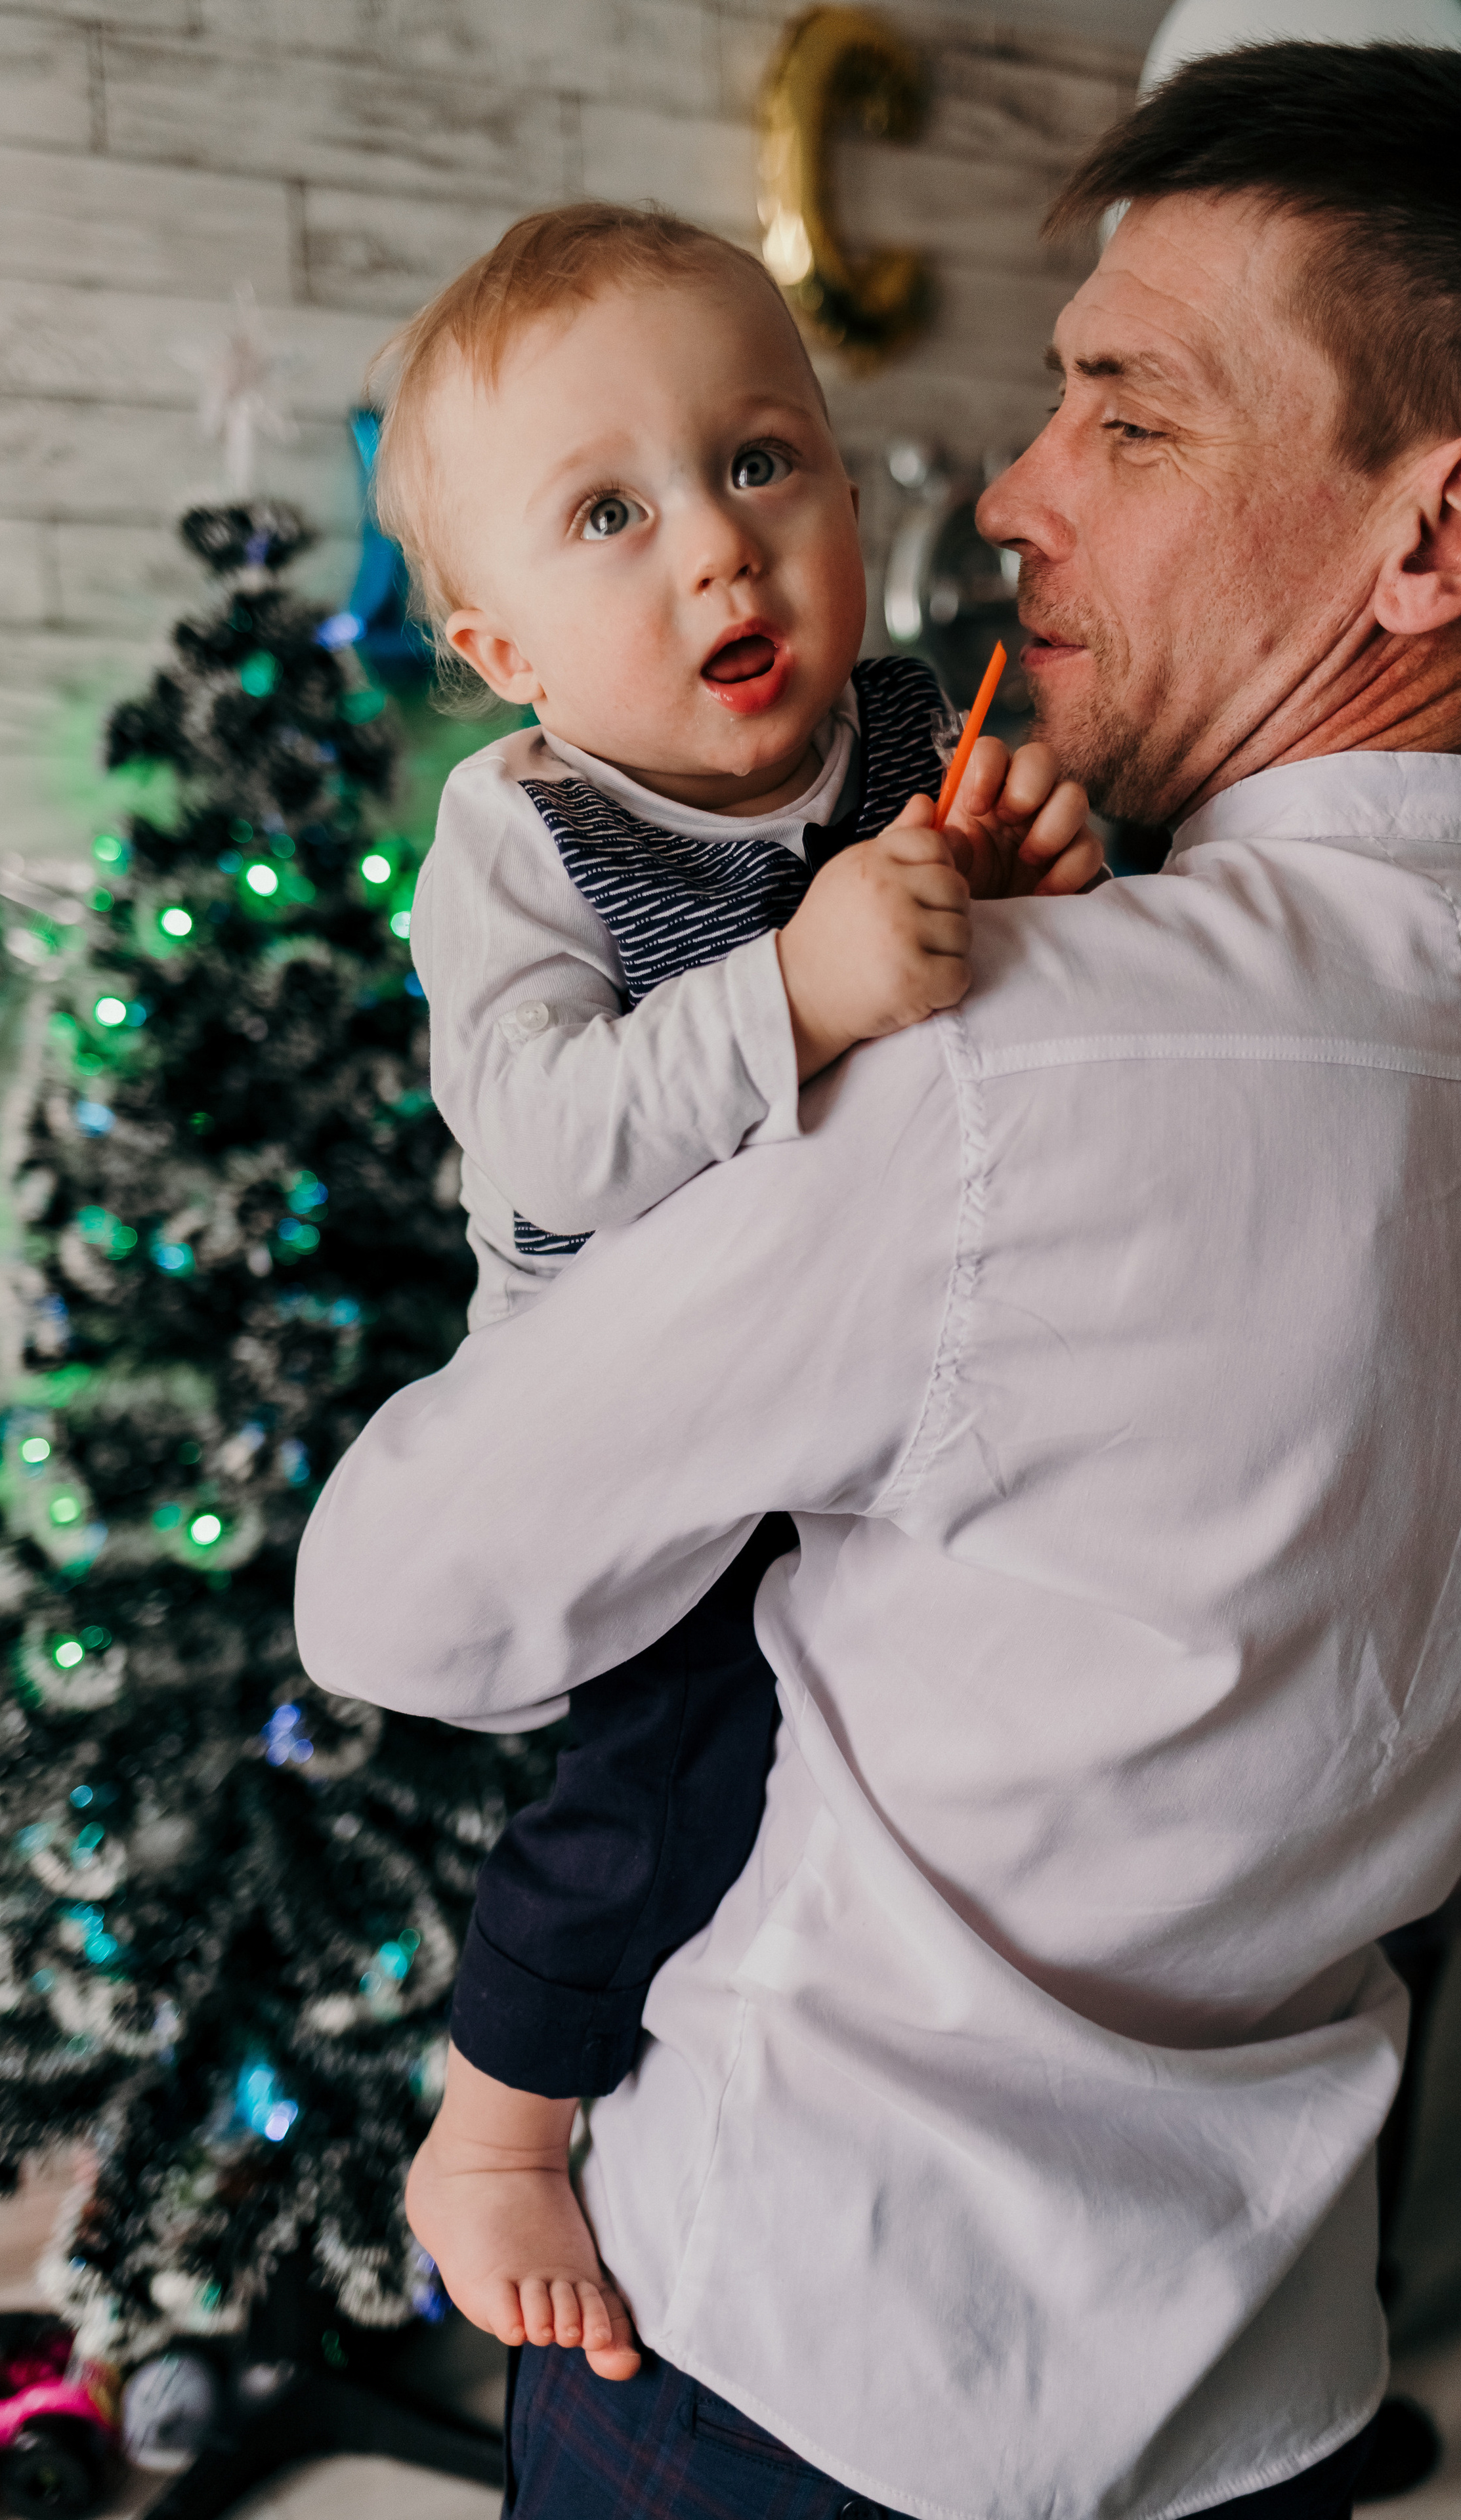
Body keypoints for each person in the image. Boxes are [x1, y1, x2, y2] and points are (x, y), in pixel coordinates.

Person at [297, 43, 1461, 2520]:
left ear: (1439, 531)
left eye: (1124, 414)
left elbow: (396, 1608)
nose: (1006, 489)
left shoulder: (1016, 1056)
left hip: (797, 2345)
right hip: (1268, 2375)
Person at [365, 201, 1101, 2380]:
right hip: (648, 1432)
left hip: (897, 1392)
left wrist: (1039, 872)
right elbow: (543, 1136)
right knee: (666, 1772)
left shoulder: (899, 735)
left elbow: (1020, 1028)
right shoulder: (525, 834)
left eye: (761, 460)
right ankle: (496, 2131)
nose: (715, 548)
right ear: (500, 648)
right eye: (610, 513)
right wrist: (794, 986)